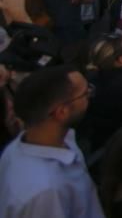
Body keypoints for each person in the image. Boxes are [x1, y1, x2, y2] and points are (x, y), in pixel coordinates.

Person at [0, 65, 102, 218]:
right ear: (62, 112)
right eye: (85, 93)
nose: (89, 95)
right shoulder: (45, 192)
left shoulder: (60, 138)